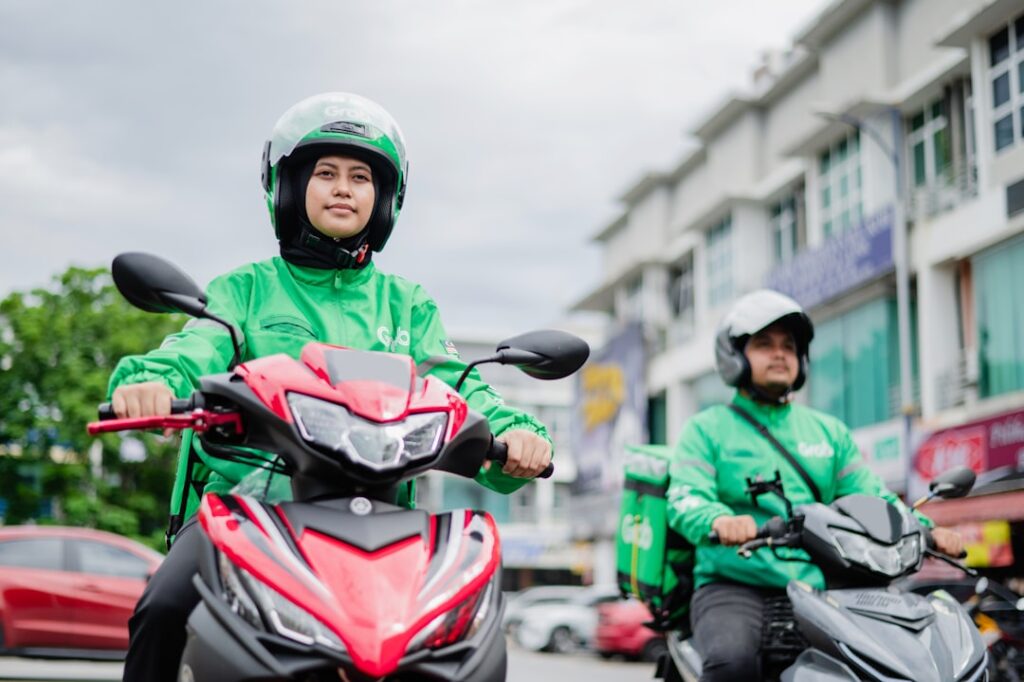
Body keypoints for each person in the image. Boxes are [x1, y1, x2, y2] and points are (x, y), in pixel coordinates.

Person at [107, 92, 553, 682]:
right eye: (325, 173)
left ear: (384, 198)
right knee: (163, 608)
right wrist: (150, 383)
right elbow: (193, 351)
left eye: (361, 176)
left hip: (384, 523)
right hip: (249, 512)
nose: (343, 188)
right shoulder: (245, 289)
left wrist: (517, 433)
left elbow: (458, 388)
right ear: (289, 187)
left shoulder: (408, 305)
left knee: (468, 639)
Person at [665, 289, 964, 682]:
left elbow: (873, 497)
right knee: (730, 664)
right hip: (735, 583)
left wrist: (927, 530)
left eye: (789, 346)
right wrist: (721, 521)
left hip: (824, 586)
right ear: (735, 356)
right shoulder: (706, 429)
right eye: (764, 344)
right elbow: (685, 497)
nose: (780, 354)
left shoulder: (828, 432)